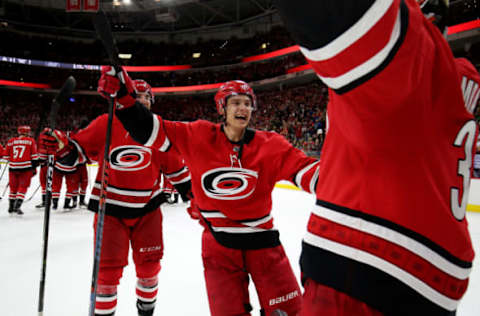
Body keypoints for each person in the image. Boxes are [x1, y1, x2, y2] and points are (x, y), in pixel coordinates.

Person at [268, 0, 478, 315]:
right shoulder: (456, 79)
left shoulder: (408, 52)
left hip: (368, 265)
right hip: (439, 283)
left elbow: (327, 15)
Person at [98, 71, 320, 316]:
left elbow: (306, 171)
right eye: (236, 102)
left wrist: (345, 178)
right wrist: (124, 99)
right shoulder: (198, 136)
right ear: (222, 108)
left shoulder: (270, 144)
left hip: (264, 244)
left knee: (292, 312)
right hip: (219, 247)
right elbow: (149, 129)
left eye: (247, 103)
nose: (243, 108)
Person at [39, 79, 192, 316]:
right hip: (109, 212)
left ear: (151, 102)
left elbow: (178, 173)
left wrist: (204, 202)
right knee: (106, 274)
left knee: (149, 268)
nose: (140, 100)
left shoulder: (159, 130)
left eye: (145, 96)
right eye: (135, 95)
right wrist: (60, 146)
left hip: (148, 211)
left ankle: (146, 312)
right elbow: (73, 157)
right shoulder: (105, 124)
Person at [5, 125, 39, 215]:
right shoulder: (31, 141)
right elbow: (34, 157)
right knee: (23, 187)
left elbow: (6, 157)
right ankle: (17, 206)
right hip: (25, 168)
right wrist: (34, 167)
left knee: (13, 187)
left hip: (13, 168)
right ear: (27, 132)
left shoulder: (11, 141)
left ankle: (11, 206)